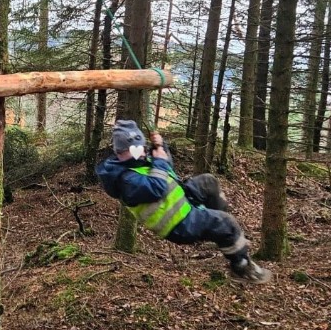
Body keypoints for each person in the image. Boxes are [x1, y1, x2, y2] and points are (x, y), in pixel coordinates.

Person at [96, 120, 271, 284]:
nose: (140, 151)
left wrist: (161, 147)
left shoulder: (136, 161)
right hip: (178, 224)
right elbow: (156, 187)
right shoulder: (126, 180)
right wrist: (159, 161)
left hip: (182, 202)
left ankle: (221, 235)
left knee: (208, 182)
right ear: (119, 152)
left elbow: (167, 169)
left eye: (140, 146)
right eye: (133, 149)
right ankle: (241, 267)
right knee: (226, 223)